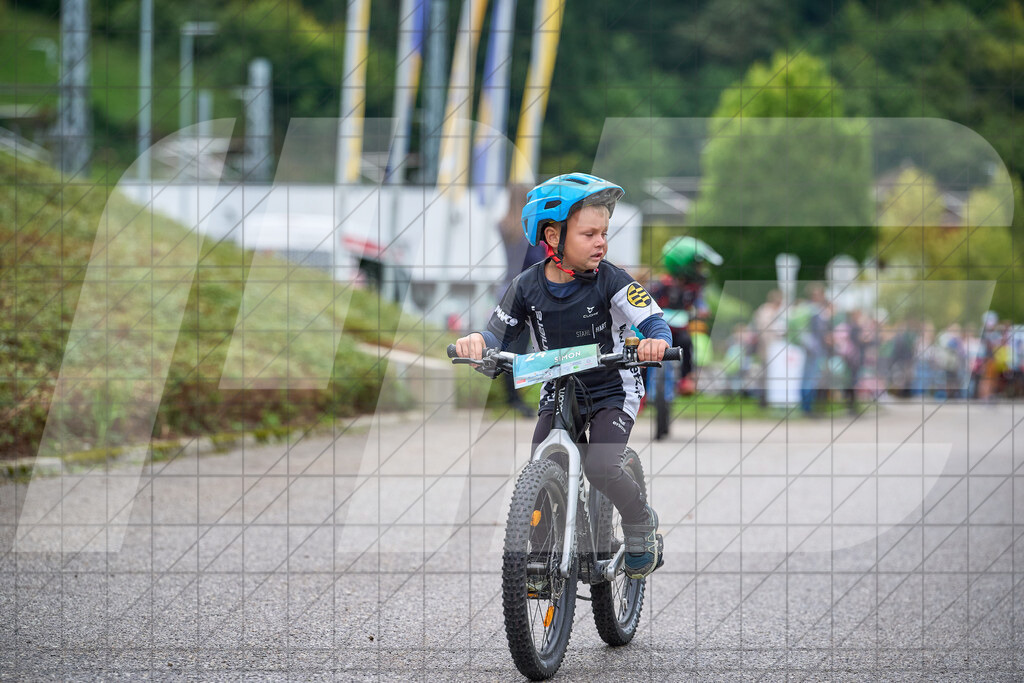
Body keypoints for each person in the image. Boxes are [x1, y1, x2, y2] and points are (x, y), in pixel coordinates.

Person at [454, 172, 671, 579]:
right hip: (560, 385)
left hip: (611, 386)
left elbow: (654, 319)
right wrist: (476, 343)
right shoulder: (525, 286)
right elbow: (495, 332)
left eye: (603, 232)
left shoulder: (613, 279)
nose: (601, 242)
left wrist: (654, 342)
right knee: (542, 461)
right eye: (588, 233)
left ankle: (641, 523)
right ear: (552, 237)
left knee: (602, 466)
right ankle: (539, 557)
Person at [647, 236, 723, 395]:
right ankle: (642, 390)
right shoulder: (661, 285)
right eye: (697, 265)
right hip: (656, 331)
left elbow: (700, 305)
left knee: (686, 343)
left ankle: (685, 377)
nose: (700, 270)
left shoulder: (694, 288)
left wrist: (701, 311)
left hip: (679, 330)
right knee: (644, 352)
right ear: (683, 264)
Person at [497, 184, 547, 416]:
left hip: (506, 287)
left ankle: (510, 397)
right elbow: (535, 262)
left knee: (509, 346)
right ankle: (515, 399)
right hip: (525, 291)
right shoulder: (530, 231)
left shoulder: (504, 226)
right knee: (521, 347)